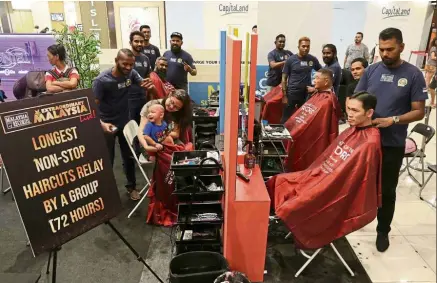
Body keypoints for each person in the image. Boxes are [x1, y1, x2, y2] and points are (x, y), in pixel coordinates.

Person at [267, 91, 382, 249]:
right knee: (279, 180)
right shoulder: (352, 130)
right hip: (320, 178)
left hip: (330, 191)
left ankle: (297, 228)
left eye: (355, 111)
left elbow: (351, 183)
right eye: (348, 109)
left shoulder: (369, 143)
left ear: (369, 113)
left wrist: (318, 187)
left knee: (291, 204)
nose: (349, 114)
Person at [355, 27, 427, 252]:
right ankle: (352, 221)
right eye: (382, 49)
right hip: (366, 141)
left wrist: (393, 120)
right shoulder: (372, 71)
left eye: (390, 49)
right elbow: (358, 99)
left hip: (392, 144)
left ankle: (382, 231)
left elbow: (419, 112)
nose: (385, 54)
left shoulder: (414, 74)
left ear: (402, 48)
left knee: (387, 190)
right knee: (358, 185)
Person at [93, 48, 155, 201]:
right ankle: (105, 193)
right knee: (108, 159)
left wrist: (149, 85)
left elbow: (142, 83)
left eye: (131, 64)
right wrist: (101, 123)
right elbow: (91, 108)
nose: (128, 67)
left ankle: (131, 187)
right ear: (116, 61)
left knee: (128, 156)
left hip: (124, 121)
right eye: (124, 64)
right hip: (107, 124)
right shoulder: (101, 81)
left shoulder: (131, 74)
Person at [137, 90, 193, 226]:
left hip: (165, 143)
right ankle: (168, 200)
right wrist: (148, 146)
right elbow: (141, 132)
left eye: (177, 107)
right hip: (150, 145)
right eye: (172, 102)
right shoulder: (152, 106)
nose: (172, 107)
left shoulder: (177, 115)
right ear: (169, 95)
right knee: (176, 161)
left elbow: (176, 133)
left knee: (188, 151)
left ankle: (180, 196)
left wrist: (164, 136)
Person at [284, 68, 342, 172]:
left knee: (294, 136)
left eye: (317, 78)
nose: (314, 81)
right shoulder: (317, 94)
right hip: (302, 128)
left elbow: (319, 126)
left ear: (326, 81)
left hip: (311, 136)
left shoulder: (328, 101)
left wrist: (298, 130)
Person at [281, 36, 322, 123]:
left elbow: (322, 73)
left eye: (308, 46)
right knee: (286, 117)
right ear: (298, 47)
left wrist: (316, 88)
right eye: (303, 46)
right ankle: (282, 135)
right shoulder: (290, 60)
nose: (306, 48)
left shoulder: (312, 59)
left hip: (306, 94)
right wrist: (284, 95)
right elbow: (284, 78)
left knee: (304, 118)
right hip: (292, 93)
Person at [128, 31, 152, 124]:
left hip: (142, 98)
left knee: (142, 126)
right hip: (128, 99)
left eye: (141, 41)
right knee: (130, 127)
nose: (139, 44)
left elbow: (148, 78)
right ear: (131, 43)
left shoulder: (145, 58)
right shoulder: (125, 57)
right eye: (136, 41)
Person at [425, 37, 437, 108]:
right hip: (432, 65)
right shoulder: (434, 48)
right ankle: (426, 89)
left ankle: (426, 89)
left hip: (430, 64)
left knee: (428, 78)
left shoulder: (433, 47)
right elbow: (433, 57)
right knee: (428, 78)